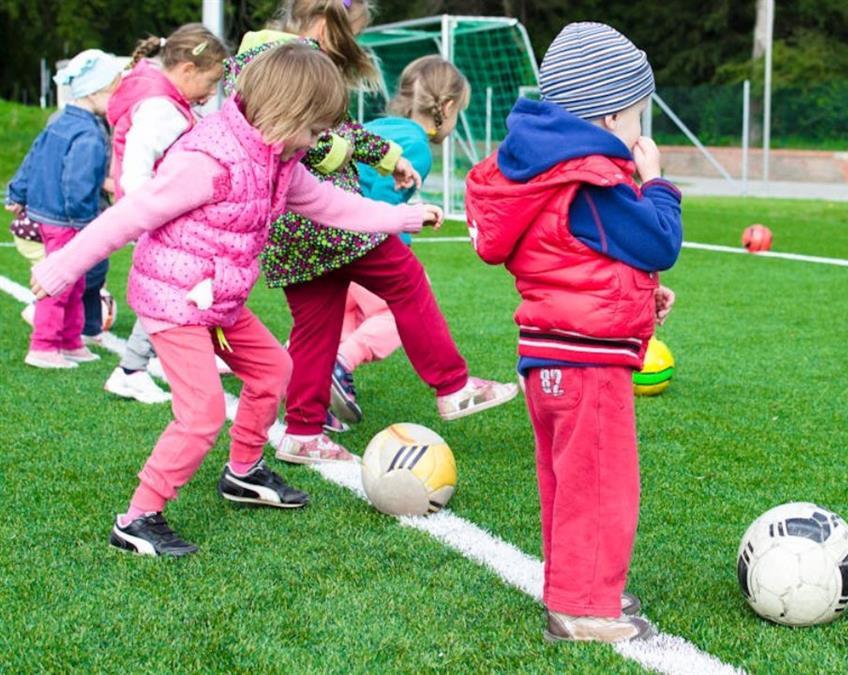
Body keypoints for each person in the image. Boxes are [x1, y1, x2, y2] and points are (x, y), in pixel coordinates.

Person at [30, 44, 444, 557]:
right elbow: (130, 215)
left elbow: (327, 204)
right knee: (202, 413)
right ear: (286, 113)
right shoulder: (208, 160)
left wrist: (401, 217)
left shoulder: (280, 157)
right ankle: (137, 518)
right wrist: (62, 267)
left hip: (218, 301)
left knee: (275, 370)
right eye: (315, 130)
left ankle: (243, 473)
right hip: (174, 301)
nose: (319, 142)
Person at [226, 0, 517, 464]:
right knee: (406, 280)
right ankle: (453, 385)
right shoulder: (296, 62)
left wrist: (388, 158)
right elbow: (314, 137)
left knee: (316, 327)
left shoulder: (253, 61)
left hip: (287, 228)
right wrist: (353, 156)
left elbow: (335, 128)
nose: (350, 49)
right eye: (350, 35)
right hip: (327, 218)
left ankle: (302, 432)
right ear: (324, 24)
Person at [465, 22, 682, 642]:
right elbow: (659, 239)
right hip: (586, 364)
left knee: (568, 482)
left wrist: (640, 298)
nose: (642, 131)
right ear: (611, 115)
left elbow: (576, 258)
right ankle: (583, 607)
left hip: (551, 355)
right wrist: (657, 182)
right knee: (599, 484)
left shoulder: (546, 172)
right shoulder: (591, 180)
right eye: (640, 115)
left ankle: (577, 586)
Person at [329, 55, 471, 429]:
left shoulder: (376, 127)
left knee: (339, 319)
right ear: (448, 107)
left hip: (327, 239)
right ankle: (340, 363)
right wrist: (407, 222)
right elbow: (380, 203)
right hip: (362, 245)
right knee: (395, 315)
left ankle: (314, 392)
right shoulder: (418, 148)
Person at [102, 23, 230, 405]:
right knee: (170, 291)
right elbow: (137, 170)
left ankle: (159, 359)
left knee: (185, 286)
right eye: (210, 83)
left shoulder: (165, 100)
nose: (210, 96)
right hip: (158, 217)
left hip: (160, 214)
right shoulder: (161, 109)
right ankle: (130, 369)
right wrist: (152, 215)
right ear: (187, 71)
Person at [5, 49, 124, 369]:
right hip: (67, 220)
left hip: (51, 214)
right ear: (96, 92)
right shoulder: (88, 133)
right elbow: (78, 182)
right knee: (60, 281)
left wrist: (16, 191)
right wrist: (86, 223)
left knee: (76, 281)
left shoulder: (61, 121)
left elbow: (32, 156)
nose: (118, 98)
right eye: (115, 90)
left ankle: (70, 341)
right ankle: (43, 346)